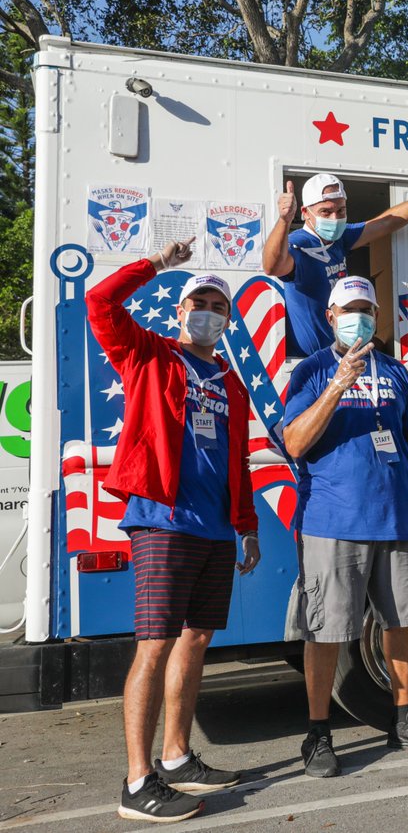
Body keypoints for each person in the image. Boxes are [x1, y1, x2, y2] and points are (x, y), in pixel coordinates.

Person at [86, 239, 260, 823]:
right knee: (155, 643)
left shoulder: (230, 381)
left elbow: (238, 461)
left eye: (218, 306)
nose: (208, 312)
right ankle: (138, 783)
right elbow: (100, 302)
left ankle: (178, 757)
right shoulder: (148, 353)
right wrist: (157, 264)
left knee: (196, 639)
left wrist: (247, 526)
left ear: (227, 319)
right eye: (199, 303)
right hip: (161, 521)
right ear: (181, 311)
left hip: (215, 529)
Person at [282, 275, 408, 777]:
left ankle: (406, 718)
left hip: (398, 519)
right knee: (325, 630)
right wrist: (338, 384)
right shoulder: (311, 370)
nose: (359, 317)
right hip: (334, 522)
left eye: (367, 309)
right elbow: (295, 442)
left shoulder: (396, 372)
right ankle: (318, 735)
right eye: (349, 309)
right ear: (330, 316)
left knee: (403, 623)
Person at [263, 170, 408, 356]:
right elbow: (272, 267)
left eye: (341, 210)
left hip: (343, 356)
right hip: (309, 361)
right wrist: (284, 221)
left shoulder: (340, 237)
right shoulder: (299, 243)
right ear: (305, 212)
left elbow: (386, 223)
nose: (335, 219)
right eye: (326, 212)